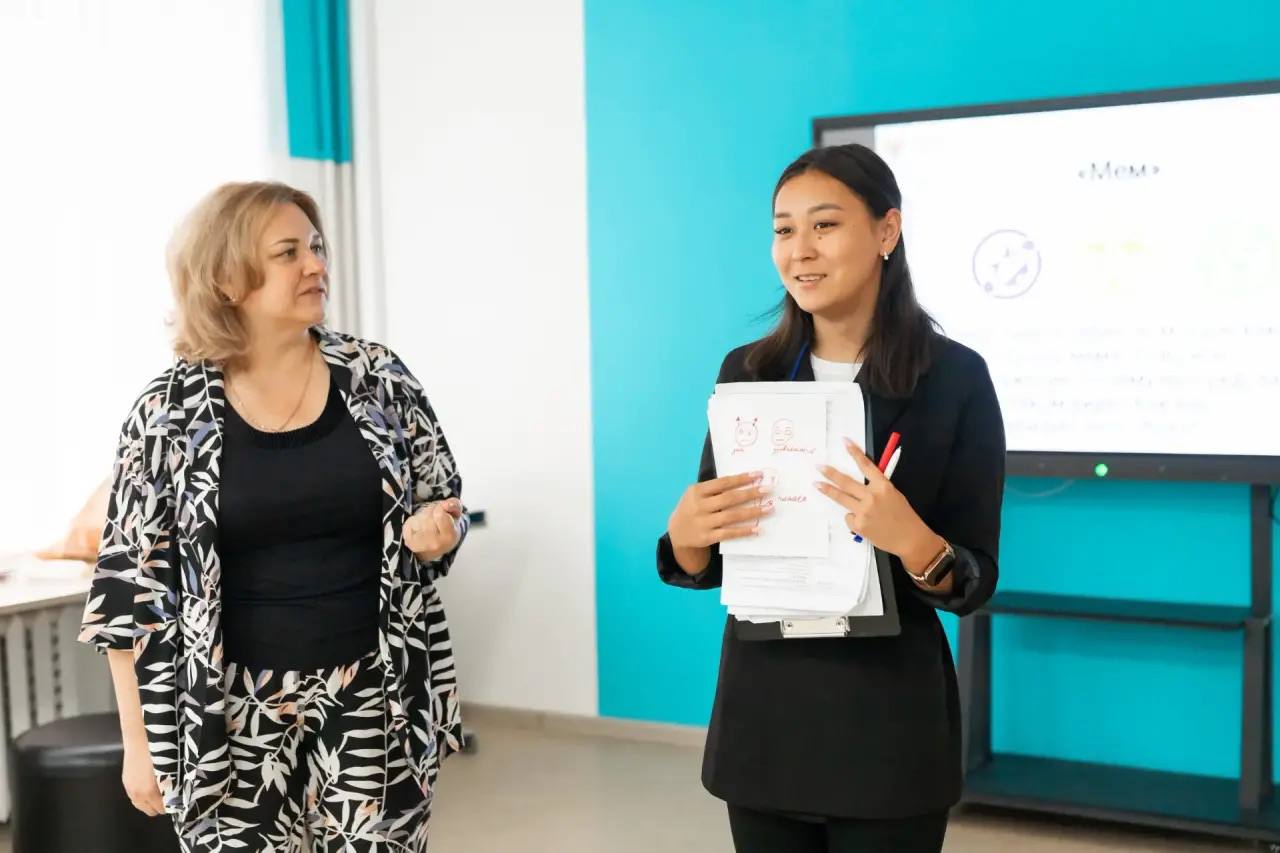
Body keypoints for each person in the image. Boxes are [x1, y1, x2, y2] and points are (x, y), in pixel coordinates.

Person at [79, 181, 468, 851]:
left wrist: (438, 531)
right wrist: (137, 745)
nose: (316, 264)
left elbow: (443, 497)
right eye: (288, 252)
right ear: (227, 278)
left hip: (373, 696)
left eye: (316, 247)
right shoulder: (168, 412)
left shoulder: (378, 377)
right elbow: (125, 589)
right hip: (225, 717)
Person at [658, 143, 1005, 853]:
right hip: (764, 722)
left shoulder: (955, 379)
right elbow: (714, 559)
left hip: (889, 728)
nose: (800, 251)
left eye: (824, 225)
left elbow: (974, 578)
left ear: (886, 231)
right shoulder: (748, 372)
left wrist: (911, 538)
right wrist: (687, 536)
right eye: (784, 230)